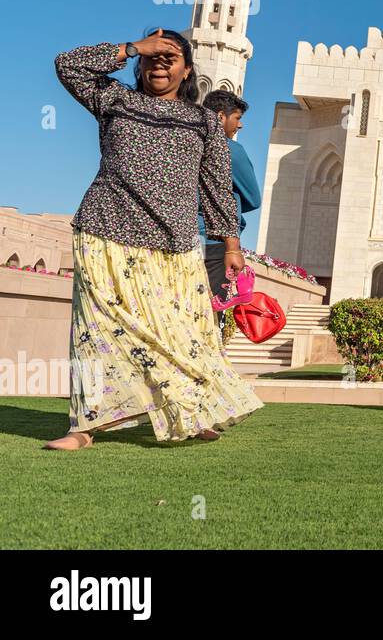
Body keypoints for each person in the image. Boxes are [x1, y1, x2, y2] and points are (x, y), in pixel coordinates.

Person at [44, 30, 264, 450]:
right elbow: (66, 65)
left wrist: (231, 246)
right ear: (141, 64)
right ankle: (84, 427)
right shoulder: (115, 101)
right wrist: (130, 48)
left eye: (171, 57)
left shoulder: (202, 122)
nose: (161, 63)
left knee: (183, 331)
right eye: (153, 57)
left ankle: (191, 410)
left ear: (187, 70)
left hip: (174, 243)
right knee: (97, 331)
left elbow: (217, 187)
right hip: (106, 230)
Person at [198, 89, 262, 341]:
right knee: (209, 315)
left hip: (179, 237)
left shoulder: (184, 142)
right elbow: (253, 198)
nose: (240, 124)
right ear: (221, 116)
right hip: (216, 243)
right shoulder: (231, 150)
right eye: (236, 118)